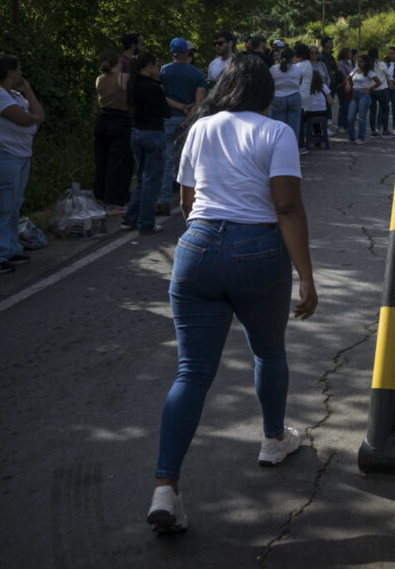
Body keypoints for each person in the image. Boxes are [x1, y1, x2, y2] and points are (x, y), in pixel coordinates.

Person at [147, 53, 318, 535]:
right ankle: (272, 439)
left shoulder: (201, 128)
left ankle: (166, 486)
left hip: (196, 248)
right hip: (257, 250)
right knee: (268, 350)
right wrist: (306, 275)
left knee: (192, 372)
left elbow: (187, 199)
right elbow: (286, 207)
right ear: (265, 95)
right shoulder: (276, 133)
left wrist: (208, 242)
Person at [0, 53, 44, 274]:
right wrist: (34, 119)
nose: (21, 72)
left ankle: (8, 250)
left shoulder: (14, 93)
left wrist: (28, 91)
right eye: (19, 69)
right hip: (1, 156)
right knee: (1, 208)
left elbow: (39, 113)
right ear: (10, 71)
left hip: (19, 156)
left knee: (13, 206)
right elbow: (23, 118)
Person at [121, 52, 168, 235]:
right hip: (153, 134)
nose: (158, 68)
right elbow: (165, 111)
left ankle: (129, 218)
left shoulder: (132, 84)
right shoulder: (153, 87)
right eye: (157, 65)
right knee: (152, 181)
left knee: (142, 179)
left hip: (136, 133)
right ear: (149, 66)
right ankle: (146, 223)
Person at [159, 39, 206, 216]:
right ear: (187, 52)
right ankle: (190, 198)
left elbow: (160, 96)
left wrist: (178, 107)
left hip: (167, 118)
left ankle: (163, 199)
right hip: (187, 121)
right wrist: (188, 116)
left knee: (167, 159)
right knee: (186, 161)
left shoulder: (163, 71)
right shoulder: (197, 74)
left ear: (171, 53)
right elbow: (200, 101)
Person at [94, 50, 133, 214]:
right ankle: (114, 200)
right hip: (121, 118)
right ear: (117, 62)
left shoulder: (99, 79)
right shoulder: (123, 78)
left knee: (102, 161)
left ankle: (100, 197)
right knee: (118, 162)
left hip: (102, 119)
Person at [269, 46, 303, 145]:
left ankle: (279, 150)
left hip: (278, 98)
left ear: (280, 56)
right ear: (292, 57)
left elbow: (270, 83)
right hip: (294, 97)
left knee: (279, 128)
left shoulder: (273, 69)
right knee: (294, 127)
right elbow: (299, 83)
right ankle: (292, 150)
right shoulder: (297, 69)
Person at [346, 54, 379, 144]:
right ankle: (351, 137)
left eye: (361, 61)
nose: (359, 63)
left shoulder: (369, 72)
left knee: (362, 117)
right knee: (350, 117)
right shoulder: (355, 70)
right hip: (354, 93)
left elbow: (378, 82)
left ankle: (361, 138)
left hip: (363, 94)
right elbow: (348, 78)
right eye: (358, 61)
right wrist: (349, 85)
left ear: (365, 62)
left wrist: (369, 88)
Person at [292, 44, 315, 155]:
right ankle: (300, 145)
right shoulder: (306, 64)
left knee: (298, 123)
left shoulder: (300, 66)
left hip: (300, 96)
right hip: (304, 96)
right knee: (300, 122)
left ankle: (300, 146)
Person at [366, 47, 391, 138]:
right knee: (385, 110)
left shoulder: (367, 66)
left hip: (371, 89)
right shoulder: (381, 64)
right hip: (382, 89)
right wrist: (388, 83)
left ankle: (373, 131)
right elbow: (388, 75)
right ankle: (385, 130)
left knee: (372, 111)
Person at [335, 48, 353, 132]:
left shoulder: (349, 63)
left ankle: (345, 125)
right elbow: (342, 75)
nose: (351, 54)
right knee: (343, 106)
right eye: (349, 52)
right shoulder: (341, 64)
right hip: (343, 86)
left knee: (347, 106)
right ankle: (340, 125)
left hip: (349, 86)